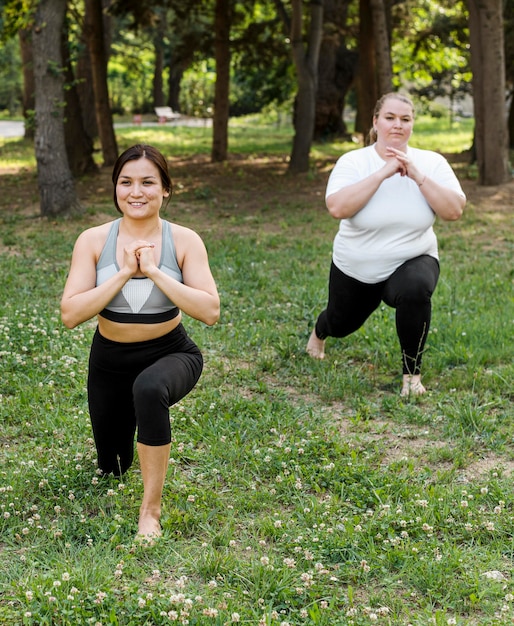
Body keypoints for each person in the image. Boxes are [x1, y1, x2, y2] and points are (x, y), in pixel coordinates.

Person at [61, 144, 220, 541]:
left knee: (149, 390)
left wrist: (153, 271)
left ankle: (150, 511)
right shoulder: (93, 240)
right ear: (115, 187)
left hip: (171, 351)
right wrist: (122, 273)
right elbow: (70, 314)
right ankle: (122, 444)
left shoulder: (184, 240)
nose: (136, 191)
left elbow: (210, 310)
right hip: (109, 360)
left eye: (148, 182)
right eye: (126, 182)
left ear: (166, 189)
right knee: (113, 465)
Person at [306, 92, 465, 396]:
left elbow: (453, 211)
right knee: (341, 323)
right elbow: (338, 208)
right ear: (376, 122)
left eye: (405, 119)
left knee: (416, 288)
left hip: (413, 257)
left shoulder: (431, 162)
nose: (398, 125)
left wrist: (417, 175)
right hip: (357, 266)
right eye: (390, 118)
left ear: (412, 125)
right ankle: (320, 332)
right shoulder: (354, 161)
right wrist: (383, 173)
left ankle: (412, 378)